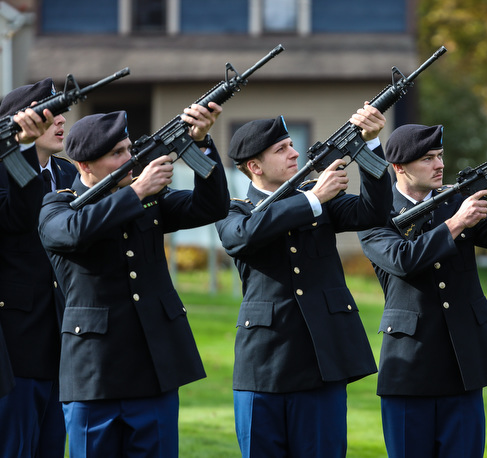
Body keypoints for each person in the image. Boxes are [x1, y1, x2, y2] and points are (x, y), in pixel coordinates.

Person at [37, 104, 228, 457]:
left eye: (128, 150)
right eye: (117, 154)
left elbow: (211, 207)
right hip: (94, 376)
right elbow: (73, 233)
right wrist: (136, 193)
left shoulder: (149, 201)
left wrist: (199, 143)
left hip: (153, 367)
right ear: (84, 166)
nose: (130, 159)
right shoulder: (58, 206)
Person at [214, 104, 391, 457]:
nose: (295, 152)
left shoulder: (322, 198)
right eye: (281, 149)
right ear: (255, 166)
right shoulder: (234, 209)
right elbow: (242, 237)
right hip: (263, 368)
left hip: (320, 362)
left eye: (291, 145)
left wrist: (370, 145)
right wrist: (312, 199)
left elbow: (374, 211)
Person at [357, 124, 487, 457]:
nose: (439, 164)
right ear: (399, 167)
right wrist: (457, 222)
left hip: (463, 362)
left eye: (440, 156)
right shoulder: (375, 212)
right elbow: (404, 260)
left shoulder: (453, 199)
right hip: (410, 367)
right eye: (428, 158)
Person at [0, 78, 75, 458]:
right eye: (52, 111)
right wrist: (23, 149)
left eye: (63, 110)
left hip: (63, 341)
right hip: (16, 344)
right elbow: (21, 216)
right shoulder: (2, 169)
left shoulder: (68, 175)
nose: (62, 119)